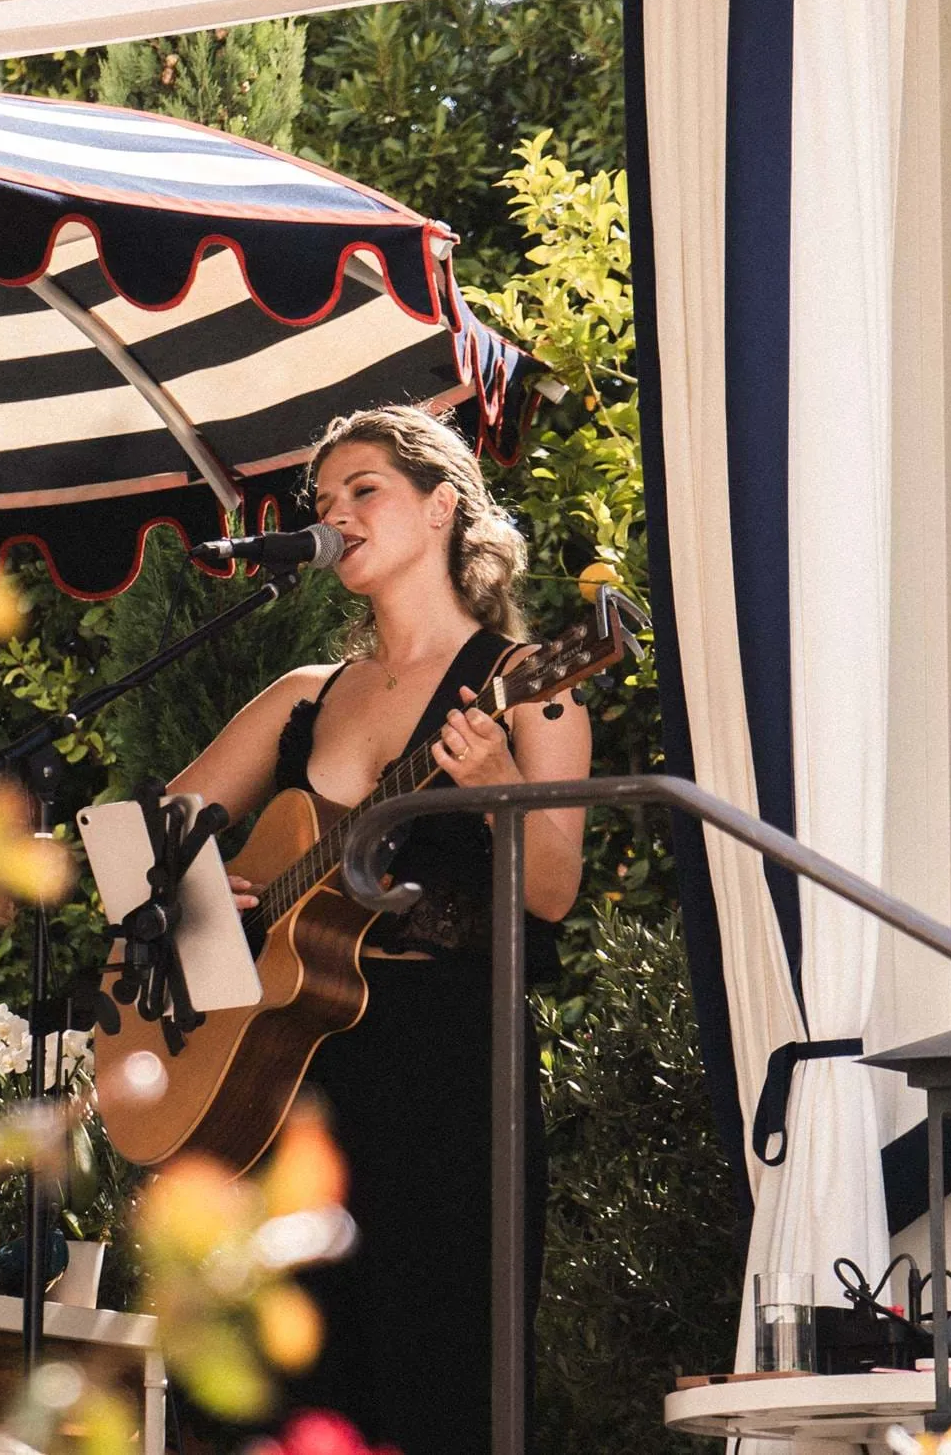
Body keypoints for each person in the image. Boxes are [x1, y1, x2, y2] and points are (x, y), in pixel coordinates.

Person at [169, 405, 591, 1453]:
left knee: (429, 1366)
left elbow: (551, 893)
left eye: (365, 491)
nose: (337, 515)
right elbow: (159, 836)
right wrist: (216, 913)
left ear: (442, 507)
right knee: (278, 1380)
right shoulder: (306, 696)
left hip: (446, 1072)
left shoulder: (529, 687)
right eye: (323, 501)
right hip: (288, 1070)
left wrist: (494, 786)